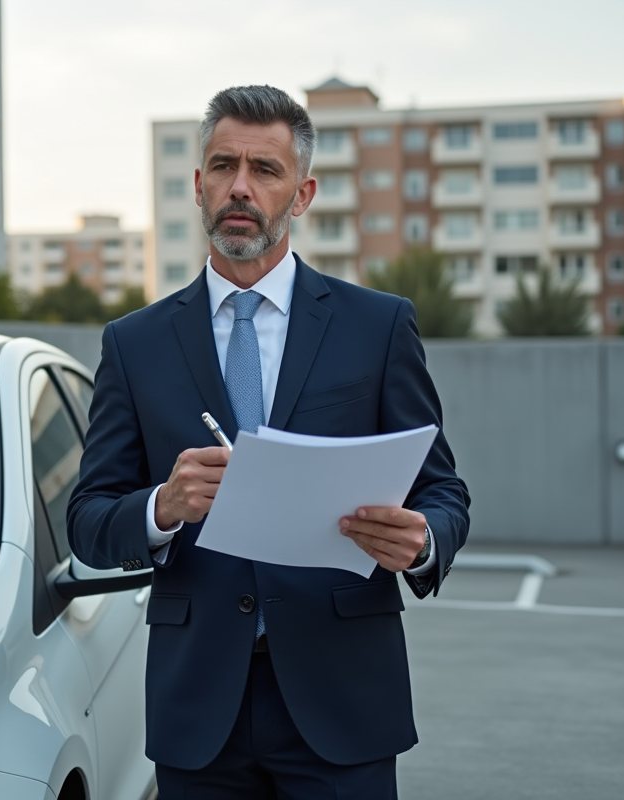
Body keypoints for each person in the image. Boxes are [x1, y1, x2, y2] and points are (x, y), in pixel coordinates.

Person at [68, 85, 470, 799]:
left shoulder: (377, 327)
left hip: (344, 697)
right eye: (223, 166)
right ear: (197, 185)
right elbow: (90, 520)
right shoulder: (135, 344)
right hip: (199, 708)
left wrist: (424, 540)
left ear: (303, 193)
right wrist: (163, 505)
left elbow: (442, 490)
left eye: (266, 170)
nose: (241, 187)